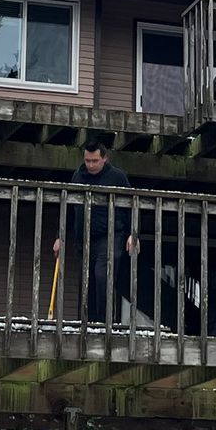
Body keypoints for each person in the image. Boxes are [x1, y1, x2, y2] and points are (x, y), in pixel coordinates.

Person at [53, 139, 140, 324]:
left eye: (94, 161)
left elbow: (133, 205)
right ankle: (88, 323)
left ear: (104, 159)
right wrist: (60, 236)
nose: (90, 165)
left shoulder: (117, 177)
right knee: (86, 282)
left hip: (110, 236)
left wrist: (134, 233)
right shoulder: (78, 176)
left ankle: (104, 323)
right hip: (83, 238)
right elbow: (68, 207)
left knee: (103, 276)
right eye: (87, 161)